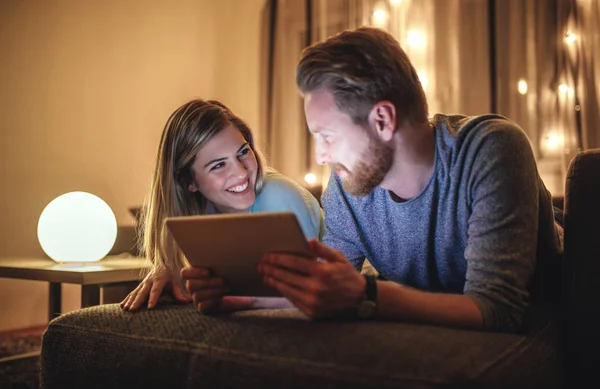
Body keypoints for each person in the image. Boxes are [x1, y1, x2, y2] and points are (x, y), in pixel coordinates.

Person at [250, 26, 563, 333]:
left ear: (383, 120)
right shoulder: (347, 187)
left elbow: (499, 309)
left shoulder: (490, 148)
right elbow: (322, 288)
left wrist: (368, 294)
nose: (320, 156)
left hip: (549, 308)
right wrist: (236, 296)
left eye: (327, 136)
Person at [121, 99, 323, 312]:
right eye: (218, 165)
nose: (241, 172)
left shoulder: (278, 195)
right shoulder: (202, 214)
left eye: (243, 152)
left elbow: (299, 292)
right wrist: (172, 272)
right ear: (189, 182)